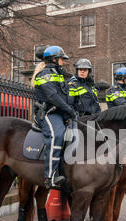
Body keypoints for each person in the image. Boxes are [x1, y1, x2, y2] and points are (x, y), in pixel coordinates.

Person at [33, 45, 76, 189]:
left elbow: (65, 96)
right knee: (57, 135)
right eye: (61, 59)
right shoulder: (44, 75)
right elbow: (52, 97)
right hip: (48, 113)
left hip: (60, 112)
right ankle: (50, 177)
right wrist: (69, 110)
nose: (63, 62)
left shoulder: (59, 74)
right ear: (54, 59)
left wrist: (72, 109)